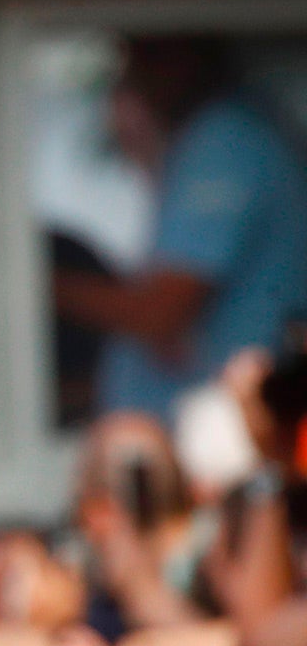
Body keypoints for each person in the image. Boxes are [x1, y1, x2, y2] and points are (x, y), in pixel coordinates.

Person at [55, 35, 307, 417]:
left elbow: (162, 314)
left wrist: (29, 285)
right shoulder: (213, 138)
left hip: (229, 440)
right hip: (199, 428)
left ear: (187, 57)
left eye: (147, 55)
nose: (133, 74)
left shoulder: (226, 142)